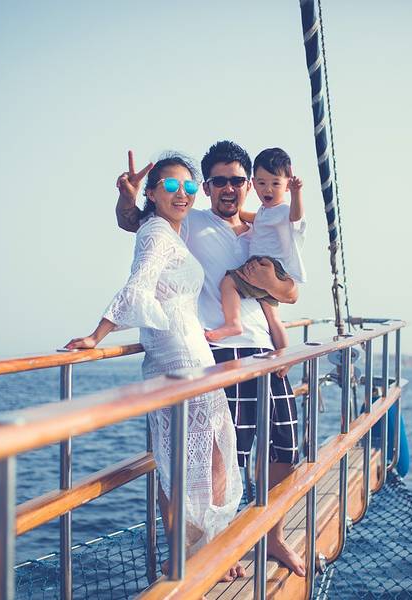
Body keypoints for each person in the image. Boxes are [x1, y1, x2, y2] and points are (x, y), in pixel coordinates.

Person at [116, 141, 306, 577]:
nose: (228, 188)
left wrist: (270, 285)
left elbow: (292, 291)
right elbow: (135, 223)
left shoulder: (264, 227)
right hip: (218, 354)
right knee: (224, 459)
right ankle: (212, 547)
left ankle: (271, 535)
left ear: (248, 185)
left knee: (284, 450)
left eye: (237, 180)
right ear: (206, 187)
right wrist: (128, 197)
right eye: (219, 181)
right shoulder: (190, 222)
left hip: (266, 354)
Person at [66, 153, 243, 577]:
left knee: (203, 458)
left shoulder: (172, 231)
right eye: (171, 186)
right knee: (188, 463)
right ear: (152, 193)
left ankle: (203, 550)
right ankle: (189, 555)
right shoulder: (157, 232)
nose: (182, 194)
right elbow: (137, 287)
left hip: (192, 354)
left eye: (189, 187)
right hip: (178, 358)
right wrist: (96, 336)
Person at [204, 147, 306, 357]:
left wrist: (297, 193)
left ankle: (233, 323)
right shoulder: (263, 213)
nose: (268, 189)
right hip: (233, 347)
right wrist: (236, 210)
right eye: (262, 183)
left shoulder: (283, 210)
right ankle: (284, 356)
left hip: (266, 264)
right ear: (255, 183)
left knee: (228, 283)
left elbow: (295, 216)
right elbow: (252, 217)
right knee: (273, 318)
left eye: (275, 184)